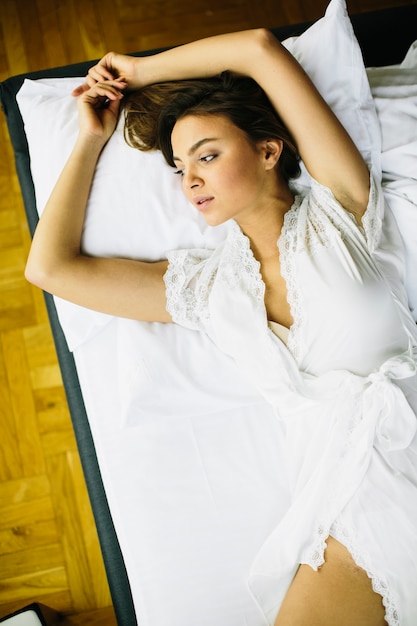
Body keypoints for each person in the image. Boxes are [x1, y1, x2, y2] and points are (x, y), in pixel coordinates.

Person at [25, 29, 417, 626]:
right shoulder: (210, 290)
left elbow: (258, 48)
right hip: (341, 506)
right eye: (180, 167)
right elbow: (49, 268)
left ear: (268, 151)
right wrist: (88, 138)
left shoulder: (342, 207)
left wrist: (138, 70)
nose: (190, 180)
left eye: (206, 155)